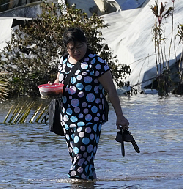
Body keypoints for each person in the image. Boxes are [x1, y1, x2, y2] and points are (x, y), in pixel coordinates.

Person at [53, 27, 128, 180]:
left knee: (79, 163)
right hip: (67, 119)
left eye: (80, 46)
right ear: (67, 48)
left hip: (90, 120)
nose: (76, 51)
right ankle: (90, 185)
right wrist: (52, 87)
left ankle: (74, 186)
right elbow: (58, 82)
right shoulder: (63, 62)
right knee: (84, 162)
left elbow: (111, 91)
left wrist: (120, 117)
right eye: (72, 48)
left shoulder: (97, 63)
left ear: (86, 43)